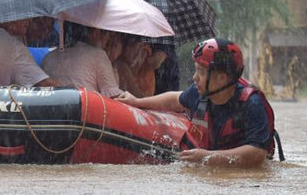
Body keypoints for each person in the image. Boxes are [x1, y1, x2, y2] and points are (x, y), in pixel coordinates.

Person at [117, 37, 282, 167]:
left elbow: (257, 153)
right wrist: (138, 102)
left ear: (221, 78)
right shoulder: (199, 92)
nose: (194, 78)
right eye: (196, 70)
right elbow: (175, 100)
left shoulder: (252, 104)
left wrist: (207, 157)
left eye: (201, 72)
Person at [41, 25, 122, 97]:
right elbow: (113, 96)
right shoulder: (98, 55)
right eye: (108, 35)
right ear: (96, 32)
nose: (108, 40)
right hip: (85, 111)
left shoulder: (48, 57)